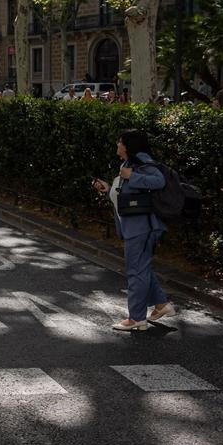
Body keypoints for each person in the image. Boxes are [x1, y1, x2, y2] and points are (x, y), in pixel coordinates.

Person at [92, 129, 175, 331]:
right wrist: (107, 189)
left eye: (120, 142)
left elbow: (159, 181)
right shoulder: (128, 164)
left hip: (142, 227)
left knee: (135, 271)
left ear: (128, 146)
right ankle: (161, 304)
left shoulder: (141, 163)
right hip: (135, 225)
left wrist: (133, 176)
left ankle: (136, 318)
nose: (117, 145)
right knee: (141, 268)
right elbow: (127, 196)